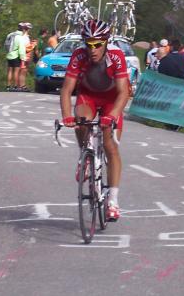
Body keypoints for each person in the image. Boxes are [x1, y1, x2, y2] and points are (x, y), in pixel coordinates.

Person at [60, 20, 130, 221]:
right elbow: (66, 89)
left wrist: (112, 115)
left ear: (106, 42)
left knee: (110, 145)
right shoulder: (79, 55)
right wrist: (67, 117)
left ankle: (113, 201)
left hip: (111, 98)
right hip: (88, 95)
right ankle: (86, 155)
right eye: (89, 43)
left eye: (98, 44)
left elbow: (123, 92)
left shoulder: (116, 56)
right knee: (81, 120)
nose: (93, 49)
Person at [5, 23, 28, 92]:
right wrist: (23, 58)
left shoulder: (10, 34)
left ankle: (8, 86)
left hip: (9, 55)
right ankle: (15, 86)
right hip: (16, 56)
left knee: (9, 71)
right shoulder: (20, 37)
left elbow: (6, 44)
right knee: (16, 71)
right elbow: (21, 50)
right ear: (23, 30)